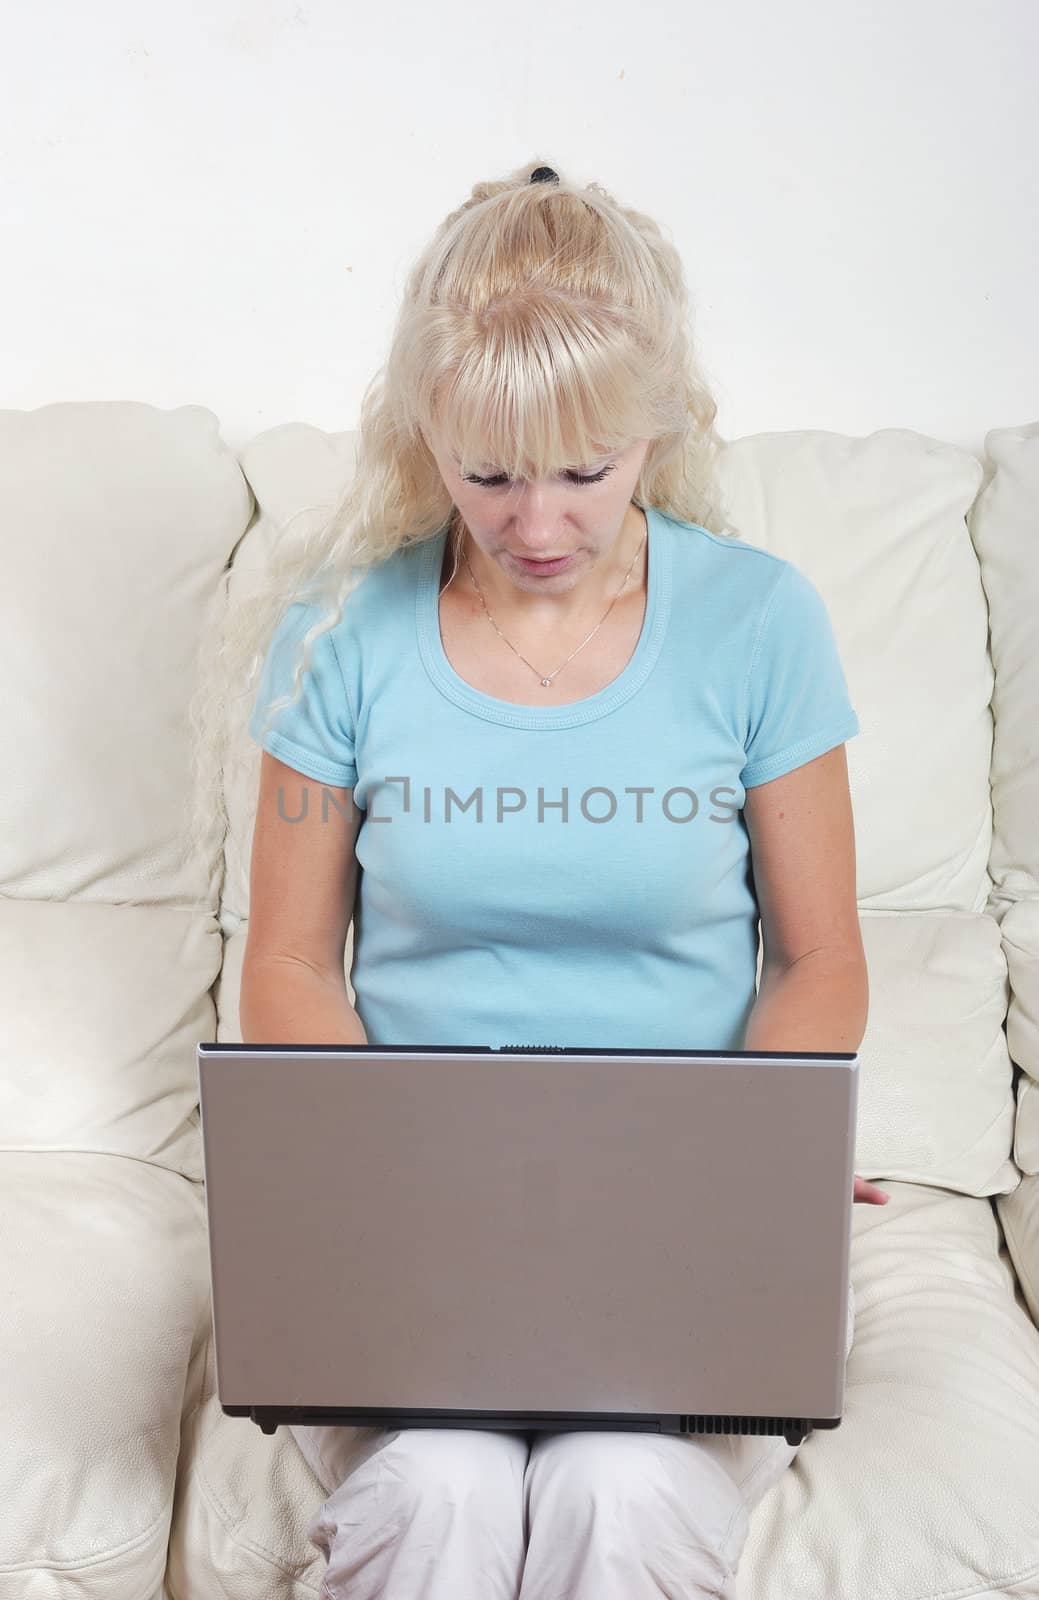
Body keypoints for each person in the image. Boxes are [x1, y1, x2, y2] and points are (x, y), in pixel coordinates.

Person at [210, 156, 886, 1600]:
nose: (535, 525)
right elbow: (286, 962)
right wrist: (371, 1176)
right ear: (423, 437)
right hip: (406, 1235)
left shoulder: (760, 623)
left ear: (658, 432)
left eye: (587, 472)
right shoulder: (338, 638)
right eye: (488, 473)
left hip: (681, 1244)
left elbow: (821, 962)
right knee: (443, 1491)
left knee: (624, 1484)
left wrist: (768, 1158)